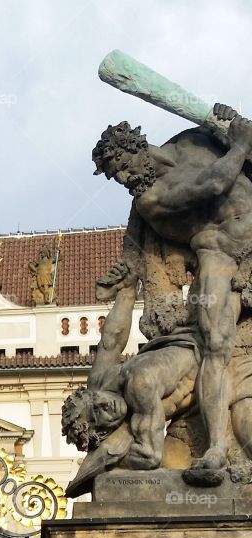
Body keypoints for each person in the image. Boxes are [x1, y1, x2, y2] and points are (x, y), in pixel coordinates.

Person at [93, 109, 252, 484]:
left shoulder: (194, 140)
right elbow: (213, 184)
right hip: (222, 255)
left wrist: (230, 124)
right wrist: (241, 144)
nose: (123, 178)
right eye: (115, 176)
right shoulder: (149, 199)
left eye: (122, 166)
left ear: (137, 147)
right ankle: (216, 448)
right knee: (216, 344)